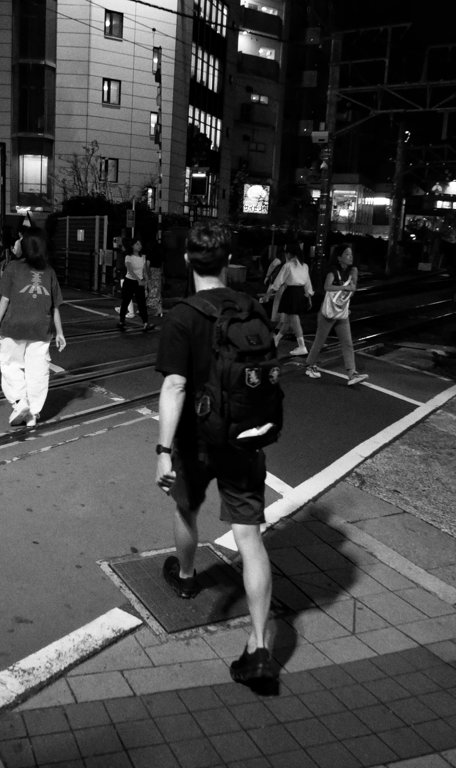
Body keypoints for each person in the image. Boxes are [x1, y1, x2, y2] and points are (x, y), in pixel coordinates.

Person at [155, 221, 276, 688]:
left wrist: (163, 450)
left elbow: (175, 384)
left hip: (194, 440)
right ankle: (261, 648)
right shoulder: (253, 308)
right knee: (251, 539)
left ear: (188, 261)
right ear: (228, 263)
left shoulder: (183, 315)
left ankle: (186, 576)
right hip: (245, 438)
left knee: (186, 508)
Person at [0, 228, 67, 428]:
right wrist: (60, 332)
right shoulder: (50, 271)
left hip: (15, 325)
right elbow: (55, 306)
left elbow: (5, 298)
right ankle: (33, 413)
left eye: (19, 240)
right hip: (42, 328)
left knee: (9, 364)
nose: (16, 243)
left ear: (25, 245)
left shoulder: (13, 267)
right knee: (38, 370)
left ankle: (19, 401)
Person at [304, 243, 369, 386]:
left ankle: (352, 373)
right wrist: (343, 287)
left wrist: (352, 279)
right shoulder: (333, 270)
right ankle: (309, 365)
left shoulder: (352, 271)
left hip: (342, 312)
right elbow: (327, 287)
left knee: (347, 342)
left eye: (351, 254)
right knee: (320, 341)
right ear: (339, 257)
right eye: (347, 254)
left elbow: (352, 290)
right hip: (328, 312)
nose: (350, 257)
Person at [265, 241, 312, 356]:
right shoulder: (305, 266)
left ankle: (302, 346)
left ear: (290, 254)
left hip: (291, 292)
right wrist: (309, 297)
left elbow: (278, 281)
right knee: (287, 321)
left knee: (295, 320)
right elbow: (308, 283)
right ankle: (276, 340)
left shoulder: (288, 266)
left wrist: (268, 294)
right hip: (300, 293)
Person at [118, 238, 154, 331]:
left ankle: (145, 323)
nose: (139, 246)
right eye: (137, 244)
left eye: (140, 244)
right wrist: (138, 280)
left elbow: (144, 271)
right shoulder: (128, 257)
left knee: (141, 303)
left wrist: (148, 282)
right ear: (132, 246)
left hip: (139, 282)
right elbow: (130, 270)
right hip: (129, 281)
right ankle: (122, 321)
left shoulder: (143, 257)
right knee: (125, 301)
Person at [145, 238, 164, 319]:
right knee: (157, 291)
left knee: (149, 290)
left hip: (152, 272)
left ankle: (144, 309)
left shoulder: (149, 253)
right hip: (158, 272)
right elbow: (162, 264)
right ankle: (160, 310)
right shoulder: (159, 253)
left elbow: (148, 264)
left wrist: (146, 274)